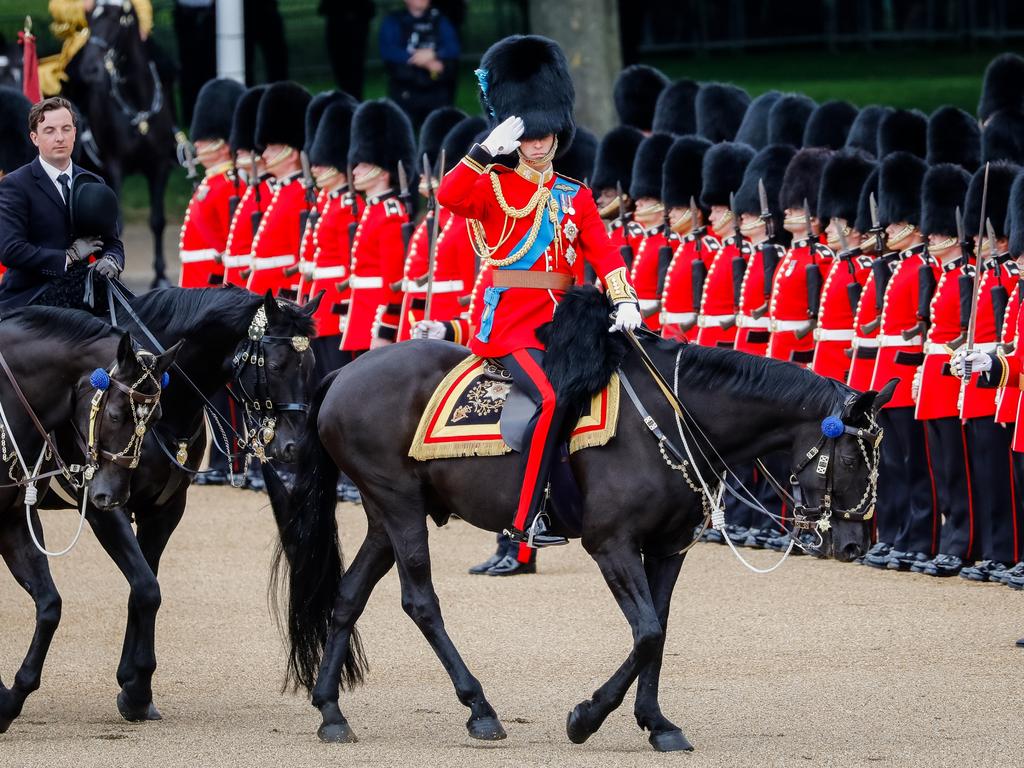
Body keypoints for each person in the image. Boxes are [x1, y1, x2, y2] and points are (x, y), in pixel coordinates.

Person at [433, 35, 642, 560]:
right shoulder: (492, 183)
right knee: (549, 398)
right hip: (514, 326)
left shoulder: (574, 194)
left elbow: (605, 251)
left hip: (570, 323)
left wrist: (625, 298)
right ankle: (525, 519)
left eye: (548, 132)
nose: (541, 142)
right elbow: (449, 196)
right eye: (530, 133)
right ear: (515, 134)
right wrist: (484, 152)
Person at [0, 96, 124, 312]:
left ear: (75, 133)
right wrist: (68, 257)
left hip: (86, 293)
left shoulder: (93, 182)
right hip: (30, 297)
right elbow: (11, 250)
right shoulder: (15, 184)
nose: (60, 137)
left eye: (66, 129)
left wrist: (112, 261)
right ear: (34, 137)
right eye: (49, 131)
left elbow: (112, 242)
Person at [340, 98, 416, 353]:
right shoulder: (373, 210)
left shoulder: (390, 214)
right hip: (360, 317)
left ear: (383, 170)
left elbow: (394, 281)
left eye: (363, 164)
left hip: (374, 321)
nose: (355, 170)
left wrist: (385, 330)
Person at [178, 78, 246, 289]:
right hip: (196, 283)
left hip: (212, 286)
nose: (197, 143)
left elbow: (233, 246)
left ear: (224, 146)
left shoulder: (228, 186)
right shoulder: (212, 183)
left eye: (206, 140)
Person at [246, 81, 312, 299]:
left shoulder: (301, 193)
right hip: (264, 291)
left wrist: (291, 298)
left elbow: (300, 252)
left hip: (280, 295)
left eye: (272, 148)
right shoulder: (281, 191)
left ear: (292, 154)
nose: (264, 154)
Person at [378, 0, 460, 129]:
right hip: (405, 88)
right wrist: (421, 59)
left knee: (442, 129)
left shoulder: (440, 20)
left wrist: (434, 53)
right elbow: (387, 50)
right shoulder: (393, 21)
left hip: (437, 88)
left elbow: (453, 48)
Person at [319, 0, 375, 99]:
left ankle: (352, 99)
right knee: (344, 71)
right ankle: (350, 99)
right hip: (340, 27)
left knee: (352, 71)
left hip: (351, 27)